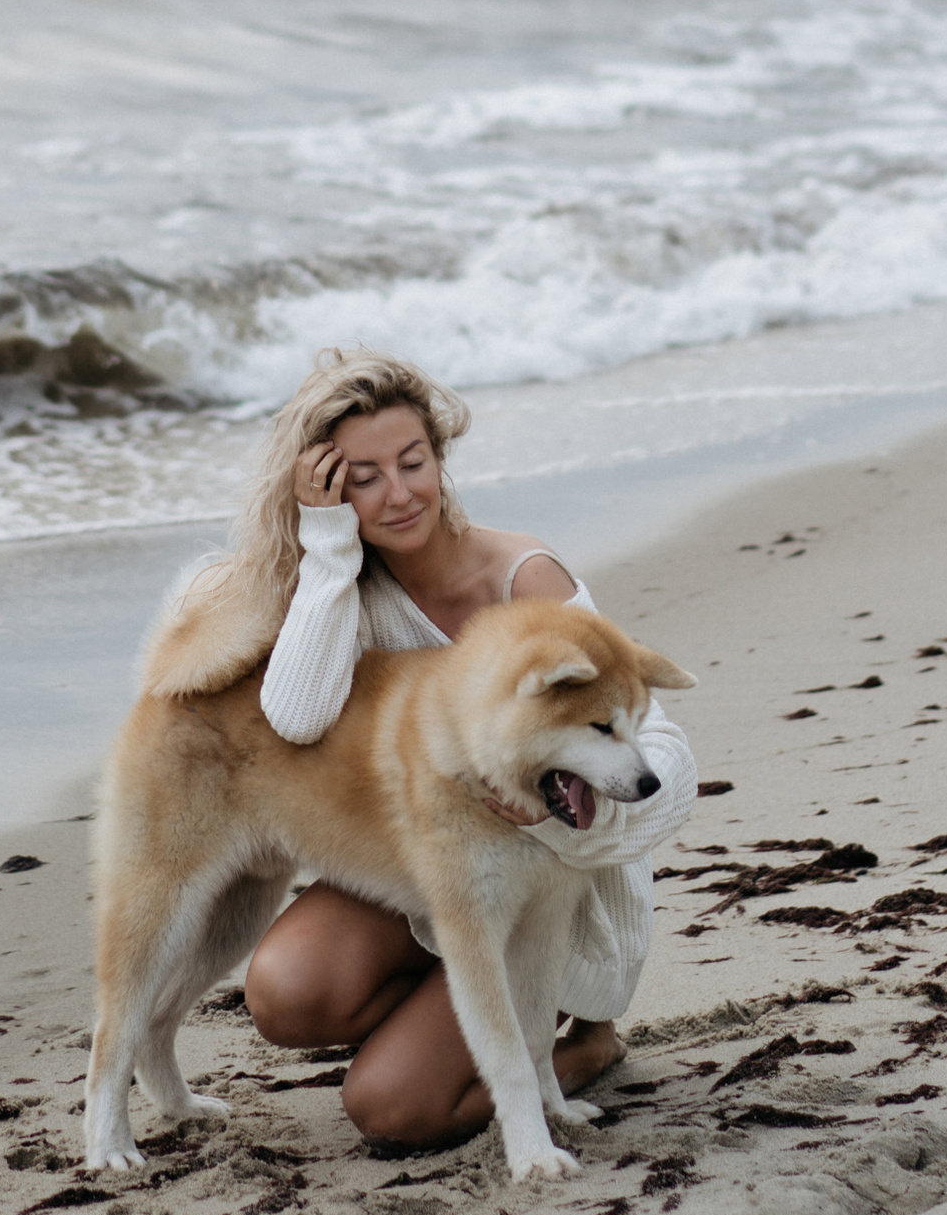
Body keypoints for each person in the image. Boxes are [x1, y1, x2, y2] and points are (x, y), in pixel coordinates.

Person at [224, 348, 698, 1147]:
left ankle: (578, 1046)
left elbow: (664, 757)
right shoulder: (346, 591)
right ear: (330, 488)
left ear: (441, 459)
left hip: (551, 882)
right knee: (284, 994)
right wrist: (329, 548)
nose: (398, 493)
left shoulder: (523, 579)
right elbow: (296, 719)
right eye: (364, 477)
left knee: (393, 1110)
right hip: (425, 873)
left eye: (412, 463)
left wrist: (552, 816)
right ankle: (455, 1014)